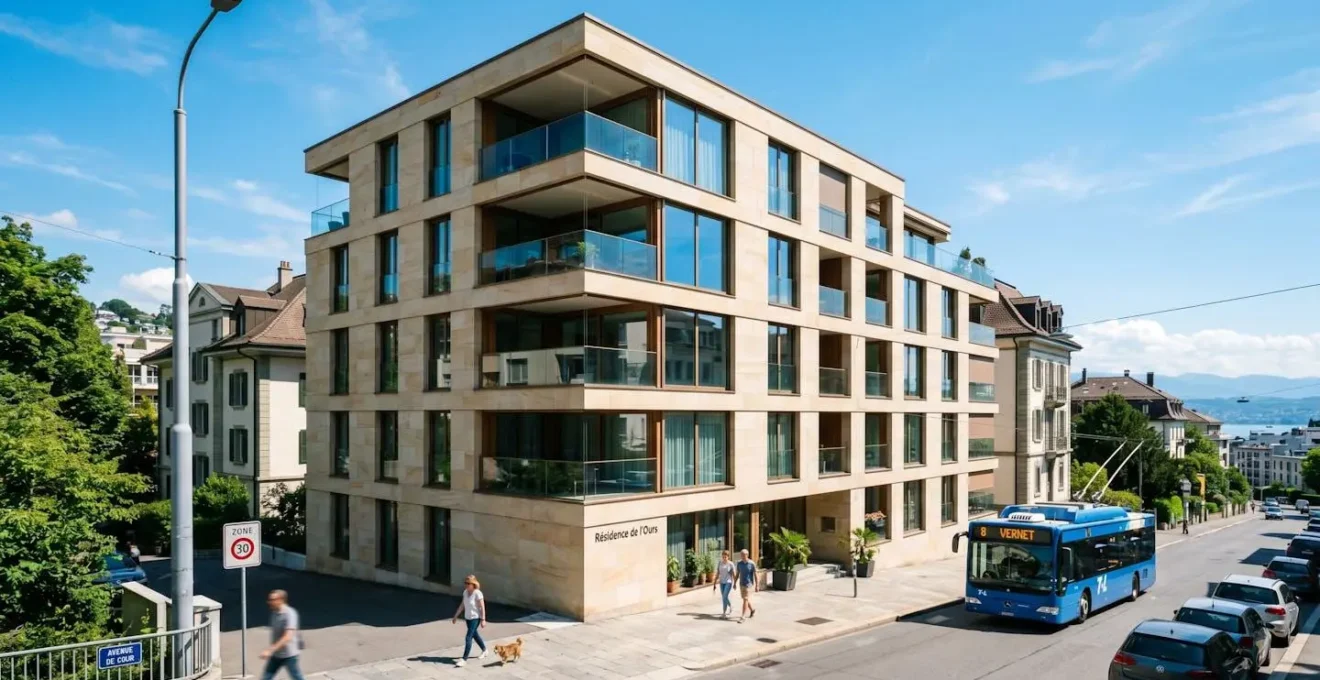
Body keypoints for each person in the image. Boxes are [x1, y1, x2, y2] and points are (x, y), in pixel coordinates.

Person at [259, 590, 304, 680]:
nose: (269, 602)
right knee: (266, 678)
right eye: (269, 600)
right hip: (276, 654)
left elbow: (288, 636)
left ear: (281, 600)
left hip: (289, 655)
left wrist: (270, 650)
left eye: (272, 600)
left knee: (297, 677)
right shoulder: (275, 613)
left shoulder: (290, 614)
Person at [451, 575, 487, 667]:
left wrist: (483, 619)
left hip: (475, 618)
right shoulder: (465, 592)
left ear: (473, 584)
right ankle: (485, 650)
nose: (466, 585)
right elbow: (462, 605)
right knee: (475, 635)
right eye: (465, 583)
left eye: (468, 583)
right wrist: (455, 616)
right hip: (468, 618)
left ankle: (464, 659)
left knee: (468, 637)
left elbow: (482, 607)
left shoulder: (477, 593)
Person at [735, 549, 757, 623]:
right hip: (741, 584)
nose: (742, 556)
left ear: (747, 555)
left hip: (749, 584)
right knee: (745, 599)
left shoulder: (751, 563)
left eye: (743, 555)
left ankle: (743, 616)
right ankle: (752, 610)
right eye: (741, 555)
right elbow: (737, 573)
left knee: (745, 599)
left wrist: (757, 585)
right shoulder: (739, 563)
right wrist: (734, 583)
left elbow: (755, 574)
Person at [713, 550, 736, 618]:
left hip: (728, 582)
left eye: (725, 557)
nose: (724, 558)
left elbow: (734, 574)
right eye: (723, 557)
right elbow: (718, 573)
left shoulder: (731, 564)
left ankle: (724, 613)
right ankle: (730, 606)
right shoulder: (720, 563)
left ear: (728, 557)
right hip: (721, 582)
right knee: (724, 597)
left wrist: (735, 583)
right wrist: (714, 583)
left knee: (724, 597)